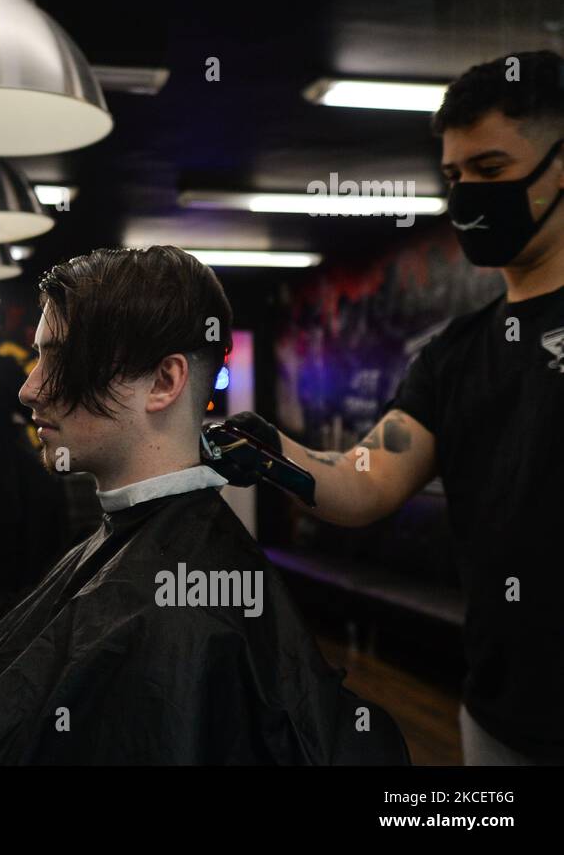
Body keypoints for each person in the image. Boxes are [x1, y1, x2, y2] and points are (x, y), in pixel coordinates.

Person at [0, 246, 407, 764]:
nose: (29, 390)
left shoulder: (186, 618)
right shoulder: (142, 555)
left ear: (164, 382)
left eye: (59, 358)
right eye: (37, 358)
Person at [223, 51, 564, 766]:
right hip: (501, 718)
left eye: (492, 170)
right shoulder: (454, 356)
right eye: (455, 176)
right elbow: (367, 482)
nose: (468, 195)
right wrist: (274, 453)